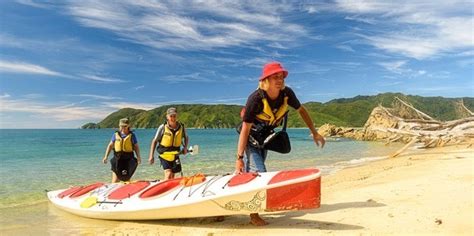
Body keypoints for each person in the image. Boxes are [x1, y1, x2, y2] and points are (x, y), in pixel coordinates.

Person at [235, 61, 326, 226]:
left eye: (281, 76)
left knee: (255, 170)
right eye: (275, 77)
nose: (280, 80)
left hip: (265, 139)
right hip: (250, 139)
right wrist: (239, 157)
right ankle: (253, 214)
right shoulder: (255, 99)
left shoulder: (287, 94)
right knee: (259, 173)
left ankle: (237, 184)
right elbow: (245, 129)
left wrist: (314, 132)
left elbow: (302, 111)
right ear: (266, 80)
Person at [149, 107, 189, 180]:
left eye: (174, 116)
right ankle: (164, 189)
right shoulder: (162, 127)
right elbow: (154, 141)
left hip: (175, 154)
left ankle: (170, 189)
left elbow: (186, 137)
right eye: (171, 116)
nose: (173, 118)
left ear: (177, 116)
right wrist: (151, 156)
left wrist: (185, 148)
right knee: (168, 173)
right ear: (167, 117)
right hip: (164, 154)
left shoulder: (182, 127)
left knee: (173, 175)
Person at [102, 118, 141, 183]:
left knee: (126, 179)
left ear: (128, 126)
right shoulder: (115, 135)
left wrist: (138, 157)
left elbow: (136, 147)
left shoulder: (132, 136)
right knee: (115, 180)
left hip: (128, 159)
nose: (123, 128)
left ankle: (127, 191)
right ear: (119, 126)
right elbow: (110, 145)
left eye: (125, 126)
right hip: (117, 159)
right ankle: (113, 191)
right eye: (121, 126)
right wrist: (106, 157)